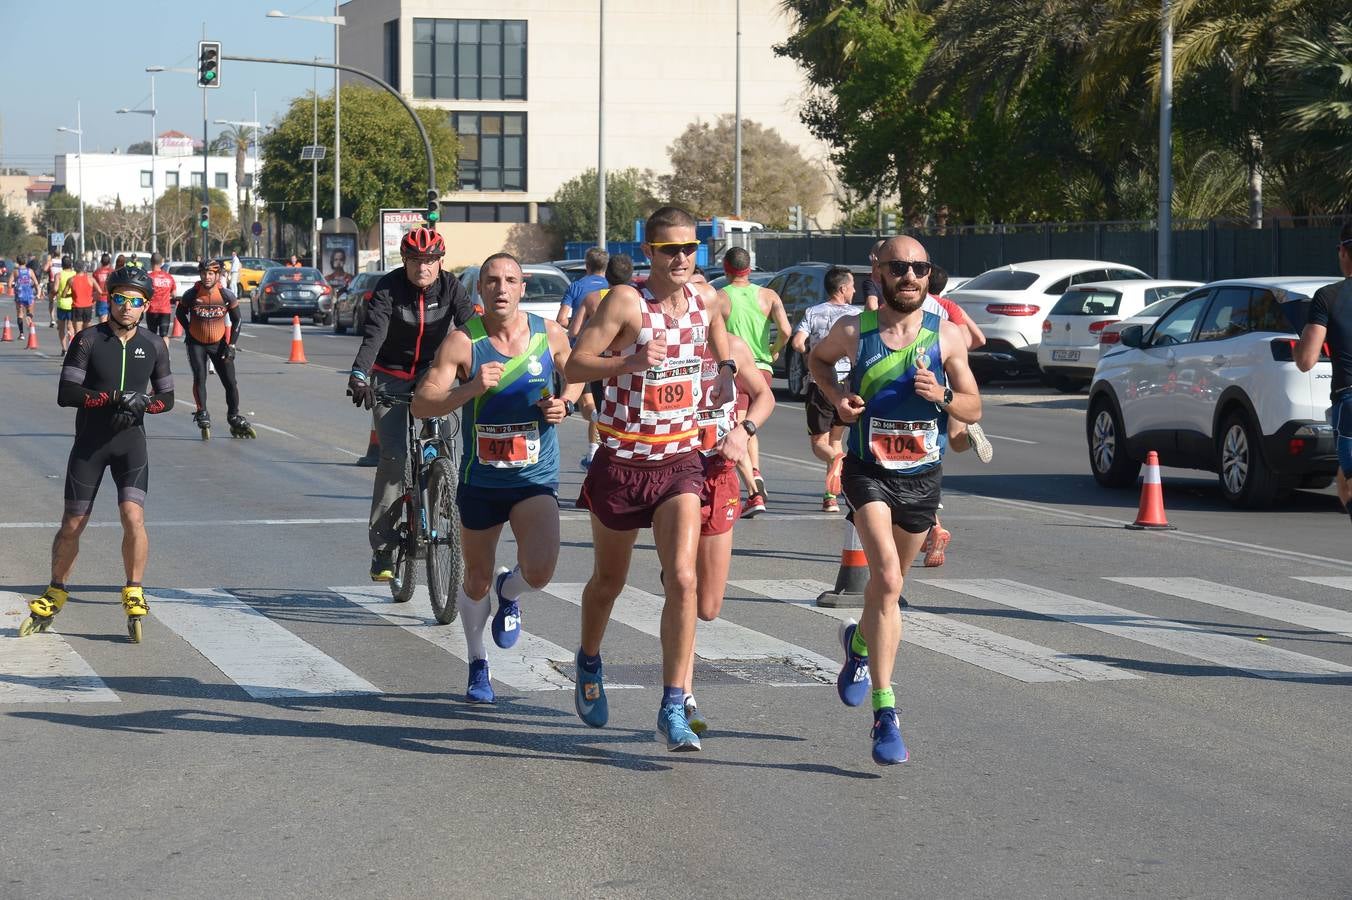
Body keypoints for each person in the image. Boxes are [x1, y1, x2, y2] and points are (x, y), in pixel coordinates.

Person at [564, 205, 742, 752]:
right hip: (621, 458)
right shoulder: (626, 303)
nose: (683, 258)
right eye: (670, 249)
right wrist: (630, 362)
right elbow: (574, 366)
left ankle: (672, 703)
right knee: (608, 584)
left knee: (683, 579)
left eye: (691, 248)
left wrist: (726, 386)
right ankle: (589, 659)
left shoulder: (709, 298)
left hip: (679, 461)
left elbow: (722, 347)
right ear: (649, 253)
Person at [808, 235, 981, 765]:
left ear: (929, 275)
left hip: (922, 477)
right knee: (884, 576)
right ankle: (886, 711)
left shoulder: (946, 336)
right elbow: (817, 363)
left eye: (920, 268)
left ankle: (859, 646)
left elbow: (973, 407)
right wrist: (839, 399)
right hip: (869, 471)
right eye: (899, 267)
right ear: (877, 272)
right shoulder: (852, 331)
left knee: (890, 587)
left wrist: (944, 397)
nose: (910, 277)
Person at [413, 253, 583, 703]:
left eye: (510, 280)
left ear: (523, 287)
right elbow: (422, 403)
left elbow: (579, 374)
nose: (501, 288)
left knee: (542, 571)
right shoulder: (462, 343)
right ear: (479, 290)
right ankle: (477, 664)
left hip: (535, 476)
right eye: (492, 281)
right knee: (474, 581)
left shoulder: (549, 335)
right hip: (482, 482)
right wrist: (469, 389)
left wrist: (564, 402)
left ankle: (512, 591)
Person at [18, 265, 175, 643]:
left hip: (130, 445)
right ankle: (56, 589)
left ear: (145, 306)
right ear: (110, 299)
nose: (127, 307)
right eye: (120, 298)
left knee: (132, 516)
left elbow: (167, 399)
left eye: (136, 301)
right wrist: (112, 398)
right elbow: (66, 394)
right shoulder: (88, 340)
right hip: (90, 444)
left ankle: (134, 589)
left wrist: (145, 404)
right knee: (73, 523)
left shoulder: (153, 345)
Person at [348, 226, 476, 582]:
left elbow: (471, 329)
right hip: (389, 375)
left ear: (440, 262)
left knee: (442, 437)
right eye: (416, 260)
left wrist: (484, 365)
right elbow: (373, 334)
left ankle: (442, 491)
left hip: (432, 373)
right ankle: (384, 548)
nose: (424, 267)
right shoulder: (388, 288)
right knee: (393, 458)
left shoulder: (452, 287)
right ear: (404, 261)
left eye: (431, 260)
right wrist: (359, 375)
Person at [679, 329, 775, 733]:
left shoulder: (733, 349)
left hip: (719, 477)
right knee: (682, 586)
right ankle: (681, 697)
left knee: (709, 607)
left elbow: (765, 397)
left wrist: (744, 430)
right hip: (675, 473)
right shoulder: (666, 340)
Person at [717, 246, 790, 516]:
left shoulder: (721, 297)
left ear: (726, 268)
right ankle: (755, 470)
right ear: (749, 268)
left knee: (734, 427)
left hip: (735, 368)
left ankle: (753, 493)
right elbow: (785, 329)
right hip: (763, 369)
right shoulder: (769, 295)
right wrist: (775, 348)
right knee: (748, 425)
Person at [791, 265, 861, 512]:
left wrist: (808, 352)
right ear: (842, 289)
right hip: (849, 384)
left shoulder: (813, 312)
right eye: (852, 285)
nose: (854, 290)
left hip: (821, 382)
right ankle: (830, 497)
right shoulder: (857, 314)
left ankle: (835, 461)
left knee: (820, 443)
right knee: (836, 439)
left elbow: (798, 342)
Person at [1296, 219, 1352, 515]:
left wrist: (1300, 339)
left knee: (1348, 484)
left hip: (1349, 401)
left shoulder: (1328, 297)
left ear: (1343, 251)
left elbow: (1306, 361)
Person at [568, 253, 634, 469]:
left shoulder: (593, 298)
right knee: (628, 415)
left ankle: (605, 460)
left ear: (607, 275)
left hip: (600, 365)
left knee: (604, 414)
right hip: (630, 364)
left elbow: (575, 331)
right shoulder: (639, 298)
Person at [177, 258, 253, 440]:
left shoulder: (227, 295)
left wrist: (232, 344)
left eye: (211, 273)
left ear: (217, 275)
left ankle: (233, 415)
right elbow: (180, 312)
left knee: (230, 382)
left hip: (219, 343)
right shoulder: (191, 294)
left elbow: (237, 320)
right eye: (204, 273)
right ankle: (202, 411)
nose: (207, 277)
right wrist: (188, 330)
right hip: (196, 343)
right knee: (200, 377)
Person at [556, 246, 608, 330]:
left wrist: (577, 326)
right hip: (605, 340)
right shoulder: (612, 288)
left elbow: (561, 320)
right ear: (605, 266)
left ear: (587, 265)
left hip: (579, 340)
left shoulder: (575, 287)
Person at [146, 254, 177, 351]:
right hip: (165, 310)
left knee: (152, 334)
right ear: (161, 262)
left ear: (151, 262)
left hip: (152, 310)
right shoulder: (169, 277)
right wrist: (167, 296)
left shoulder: (148, 277)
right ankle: (166, 355)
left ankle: (153, 354)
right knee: (164, 335)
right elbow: (174, 294)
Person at [64, 261, 97, 340]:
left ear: (75, 268)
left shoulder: (71, 280)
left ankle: (79, 348)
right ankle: (88, 347)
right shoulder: (90, 278)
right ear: (84, 268)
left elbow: (63, 294)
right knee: (87, 331)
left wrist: (71, 295)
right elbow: (99, 291)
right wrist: (92, 298)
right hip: (88, 306)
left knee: (78, 332)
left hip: (77, 307)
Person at [10, 253, 37, 340]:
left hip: (20, 294)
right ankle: (29, 317)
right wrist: (37, 291)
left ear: (18, 262)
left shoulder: (15, 272)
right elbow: (36, 283)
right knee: (30, 310)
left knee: (20, 313)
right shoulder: (30, 271)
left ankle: (21, 334)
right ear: (25, 262)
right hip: (29, 293)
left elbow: (9, 284)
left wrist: (15, 286)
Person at [92, 253, 113, 324]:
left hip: (101, 298)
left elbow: (93, 288)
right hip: (111, 298)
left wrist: (93, 298)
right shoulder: (113, 272)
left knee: (102, 322)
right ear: (109, 261)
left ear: (101, 261)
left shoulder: (96, 272)